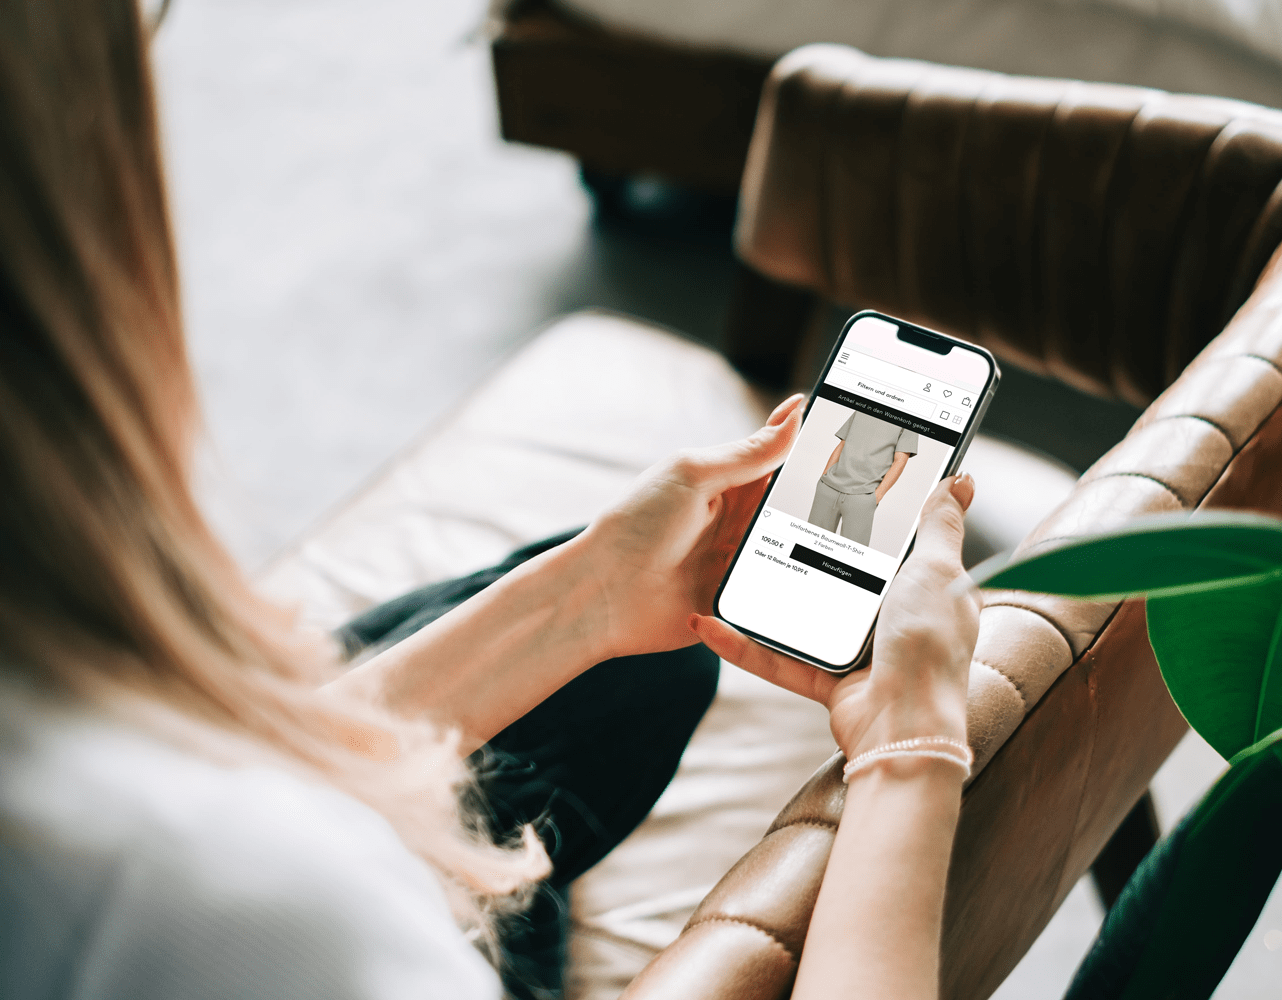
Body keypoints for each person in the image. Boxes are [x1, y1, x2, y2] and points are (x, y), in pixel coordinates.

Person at [0, 3, 983, 1000]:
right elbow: (237, 848)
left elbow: (241, 773)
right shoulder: (242, 906)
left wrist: (587, 592)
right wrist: (913, 741)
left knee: (644, 670)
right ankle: (522, 890)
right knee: (571, 769)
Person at [809, 411, 919, 546]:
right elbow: (843, 444)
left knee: (850, 556)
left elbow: (900, 461)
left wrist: (876, 496)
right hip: (828, 488)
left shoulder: (911, 420)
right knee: (809, 545)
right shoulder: (864, 407)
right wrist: (824, 477)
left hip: (863, 496)